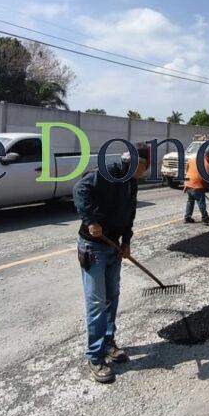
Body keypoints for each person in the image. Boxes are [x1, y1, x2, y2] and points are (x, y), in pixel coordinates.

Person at [73, 145, 149, 384]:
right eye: (146, 165)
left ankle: (108, 343)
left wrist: (126, 242)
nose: (147, 170)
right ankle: (95, 357)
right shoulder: (108, 173)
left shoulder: (131, 183)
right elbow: (79, 189)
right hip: (93, 246)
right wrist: (91, 220)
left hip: (113, 245)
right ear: (136, 163)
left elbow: (129, 214)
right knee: (96, 302)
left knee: (111, 297)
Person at [184, 149, 209, 224]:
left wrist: (188, 175)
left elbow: (187, 167)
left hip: (188, 183)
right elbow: (204, 179)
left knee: (190, 201)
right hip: (196, 185)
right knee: (201, 202)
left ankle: (187, 217)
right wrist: (204, 188)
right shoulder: (206, 164)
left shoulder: (194, 159)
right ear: (208, 156)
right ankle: (205, 219)